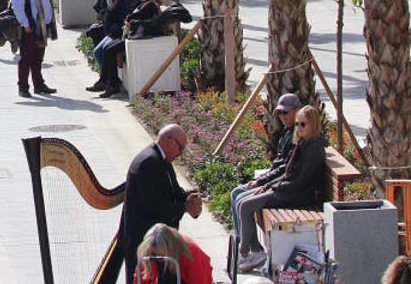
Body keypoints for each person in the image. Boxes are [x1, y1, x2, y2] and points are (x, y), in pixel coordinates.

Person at [236, 106, 328, 273]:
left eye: (303, 124)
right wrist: (266, 185)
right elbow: (287, 173)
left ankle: (247, 251)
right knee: (242, 199)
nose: (298, 128)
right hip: (288, 190)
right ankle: (256, 251)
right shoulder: (302, 143)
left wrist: (272, 187)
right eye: (297, 124)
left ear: (313, 125)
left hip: (300, 195)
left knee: (246, 206)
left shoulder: (314, 149)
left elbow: (300, 181)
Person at [118, 125, 202, 283]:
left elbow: (173, 191)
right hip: (145, 242)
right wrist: (185, 207)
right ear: (170, 141)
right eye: (181, 148)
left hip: (160, 243)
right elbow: (153, 206)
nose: (181, 153)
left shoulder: (162, 159)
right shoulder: (148, 163)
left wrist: (189, 198)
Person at [230, 93, 299, 239]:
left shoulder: (296, 136)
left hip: (285, 188)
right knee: (236, 193)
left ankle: (249, 248)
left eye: (285, 112)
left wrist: (262, 182)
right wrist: (262, 179)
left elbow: (285, 170)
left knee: (241, 199)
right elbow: (279, 165)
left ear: (297, 110)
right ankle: (241, 240)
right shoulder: (288, 130)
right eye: (279, 112)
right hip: (277, 181)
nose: (282, 116)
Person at [11, 0, 58, 98]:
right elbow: (17, 7)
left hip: (41, 28)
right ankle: (23, 87)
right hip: (30, 29)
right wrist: (25, 24)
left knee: (38, 58)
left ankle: (39, 85)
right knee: (26, 58)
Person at [132, 224, 213, 284]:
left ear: (170, 247)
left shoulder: (190, 251)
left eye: (161, 254)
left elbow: (200, 280)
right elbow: (141, 278)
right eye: (153, 253)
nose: (158, 257)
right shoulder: (147, 251)